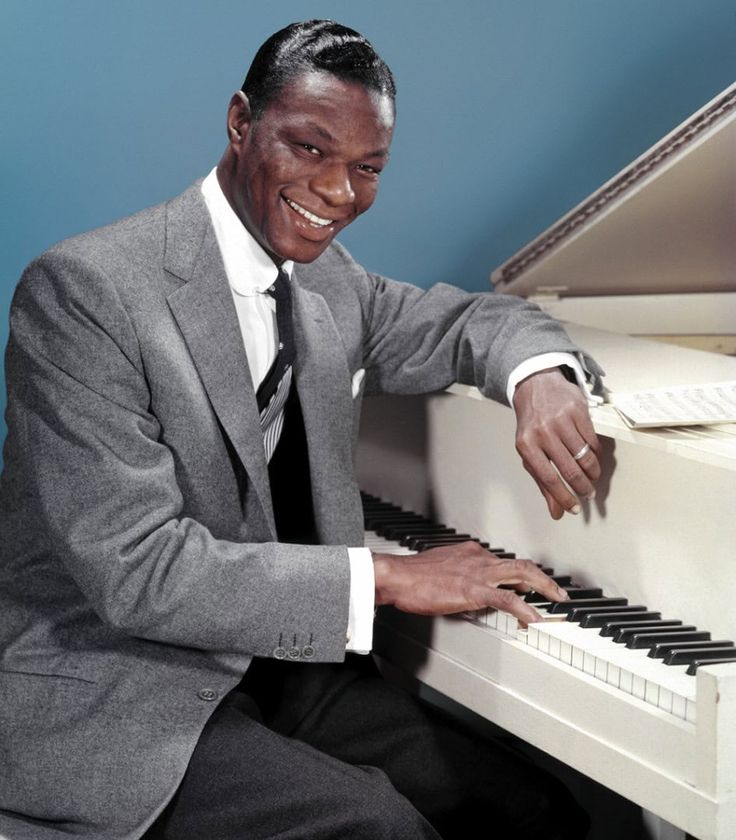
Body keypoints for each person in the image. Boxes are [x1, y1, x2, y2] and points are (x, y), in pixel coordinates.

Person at [0, 19, 603, 840]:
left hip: (274, 663)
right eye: (311, 150)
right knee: (377, 828)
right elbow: (137, 574)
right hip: (115, 682)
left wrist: (542, 379)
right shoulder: (84, 292)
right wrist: (388, 579)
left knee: (532, 811)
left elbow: (467, 321)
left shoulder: (328, 283)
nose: (338, 192)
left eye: (368, 167)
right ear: (241, 122)